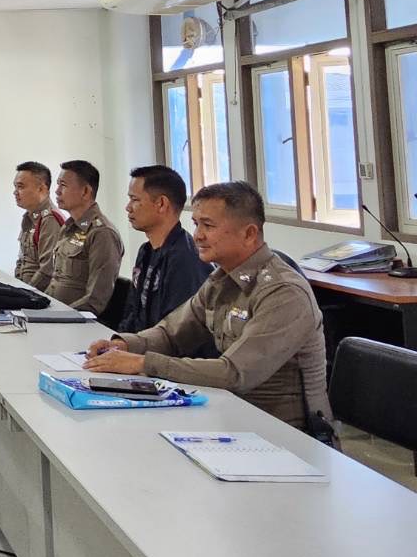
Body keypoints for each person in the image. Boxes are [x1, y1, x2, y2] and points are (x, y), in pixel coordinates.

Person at [85, 181, 332, 431]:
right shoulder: (221, 280)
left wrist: (142, 363)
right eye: (196, 224)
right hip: (228, 414)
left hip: (282, 433)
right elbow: (172, 334)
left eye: (208, 226)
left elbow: (234, 374)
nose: (197, 236)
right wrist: (125, 345)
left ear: (249, 234)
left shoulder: (283, 292)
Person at [119, 165, 212, 334]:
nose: (128, 207)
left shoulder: (185, 259)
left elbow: (180, 332)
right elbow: (132, 313)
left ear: (161, 204)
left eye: (135, 200)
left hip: (162, 348)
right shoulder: (146, 251)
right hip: (140, 344)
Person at [49, 159, 123, 313]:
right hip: (53, 312)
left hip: (74, 320)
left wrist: (56, 318)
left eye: (63, 185)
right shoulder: (69, 227)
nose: (57, 191)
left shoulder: (102, 234)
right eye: (58, 184)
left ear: (85, 192)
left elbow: (94, 300)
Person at [13, 160, 65, 289]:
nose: (15, 192)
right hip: (25, 290)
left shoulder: (50, 220)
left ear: (41, 189)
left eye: (20, 187)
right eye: (15, 187)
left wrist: (25, 293)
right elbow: (22, 261)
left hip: (38, 295)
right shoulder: (29, 218)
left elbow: (47, 271)